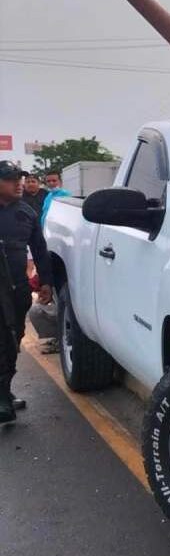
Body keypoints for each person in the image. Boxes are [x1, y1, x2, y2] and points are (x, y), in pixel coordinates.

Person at [0, 161, 53, 424]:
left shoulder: (26, 213)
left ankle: (4, 392)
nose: (18, 183)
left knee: (14, 337)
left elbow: (40, 249)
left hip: (17, 288)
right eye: (11, 179)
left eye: (19, 179)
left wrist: (46, 282)